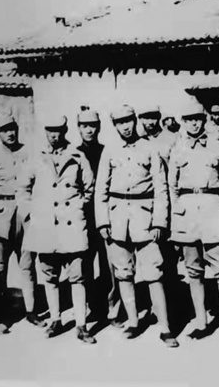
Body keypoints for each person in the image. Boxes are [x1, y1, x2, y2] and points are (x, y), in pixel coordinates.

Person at [168, 97, 219, 347]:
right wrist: (177, 218)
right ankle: (201, 323)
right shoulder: (177, 149)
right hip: (187, 217)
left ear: (204, 121)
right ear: (183, 122)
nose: (194, 124)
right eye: (189, 120)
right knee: (194, 272)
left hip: (213, 213)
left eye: (198, 119)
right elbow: (172, 187)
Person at [95, 104, 178, 347]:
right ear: (115, 126)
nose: (126, 126)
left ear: (135, 121)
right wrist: (103, 221)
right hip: (117, 219)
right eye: (120, 123)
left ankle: (165, 327)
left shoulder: (150, 149)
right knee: (123, 272)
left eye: (129, 121)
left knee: (154, 272)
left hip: (146, 219)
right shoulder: (110, 151)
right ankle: (133, 321)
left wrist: (160, 221)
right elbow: (101, 189)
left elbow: (161, 188)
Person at [20, 115, 97, 344]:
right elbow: (23, 188)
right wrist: (31, 214)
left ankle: (81, 325)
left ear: (65, 131)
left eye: (59, 130)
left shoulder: (77, 156)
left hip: (71, 225)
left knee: (77, 276)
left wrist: (78, 207)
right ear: (45, 131)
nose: (55, 135)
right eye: (50, 131)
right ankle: (55, 319)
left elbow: (89, 187)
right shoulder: (36, 157)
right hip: (45, 225)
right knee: (49, 275)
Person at [0, 110, 42, 327]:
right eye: (4, 130)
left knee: (27, 264)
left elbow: (38, 184)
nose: (10, 134)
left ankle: (31, 310)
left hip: (24, 215)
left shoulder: (28, 152)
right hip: (0, 216)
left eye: (12, 129)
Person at [76, 106, 121, 326]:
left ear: (99, 127)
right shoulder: (74, 153)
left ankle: (112, 309)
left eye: (93, 125)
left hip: (104, 216)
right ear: (78, 128)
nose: (89, 130)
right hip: (83, 217)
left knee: (109, 265)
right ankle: (91, 307)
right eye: (84, 126)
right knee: (84, 265)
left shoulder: (107, 151)